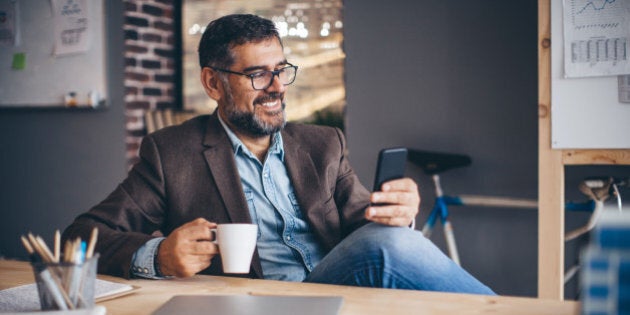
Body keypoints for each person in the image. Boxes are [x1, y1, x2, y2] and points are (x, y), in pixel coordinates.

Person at [63, 14, 494, 295]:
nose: (277, 87)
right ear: (213, 84)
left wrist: (398, 212)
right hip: (256, 302)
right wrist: (158, 257)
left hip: (335, 293)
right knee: (389, 246)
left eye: (281, 70)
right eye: (257, 74)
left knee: (391, 238)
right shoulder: (171, 153)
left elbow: (369, 224)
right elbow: (80, 237)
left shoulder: (324, 143)